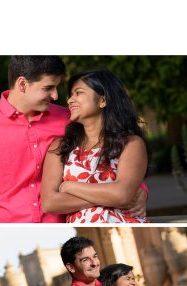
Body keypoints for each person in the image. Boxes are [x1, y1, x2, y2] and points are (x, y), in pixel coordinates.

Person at [0, 56, 146, 223]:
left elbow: (114, 151)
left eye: (56, 87)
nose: (56, 96)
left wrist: (139, 189)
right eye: (48, 88)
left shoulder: (69, 119)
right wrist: (117, 196)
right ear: (22, 84)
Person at [41, 69, 149, 223]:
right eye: (70, 95)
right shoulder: (60, 147)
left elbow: (122, 194)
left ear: (102, 101)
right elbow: (49, 203)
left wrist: (70, 187)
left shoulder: (131, 144)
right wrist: (109, 196)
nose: (70, 100)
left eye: (78, 93)